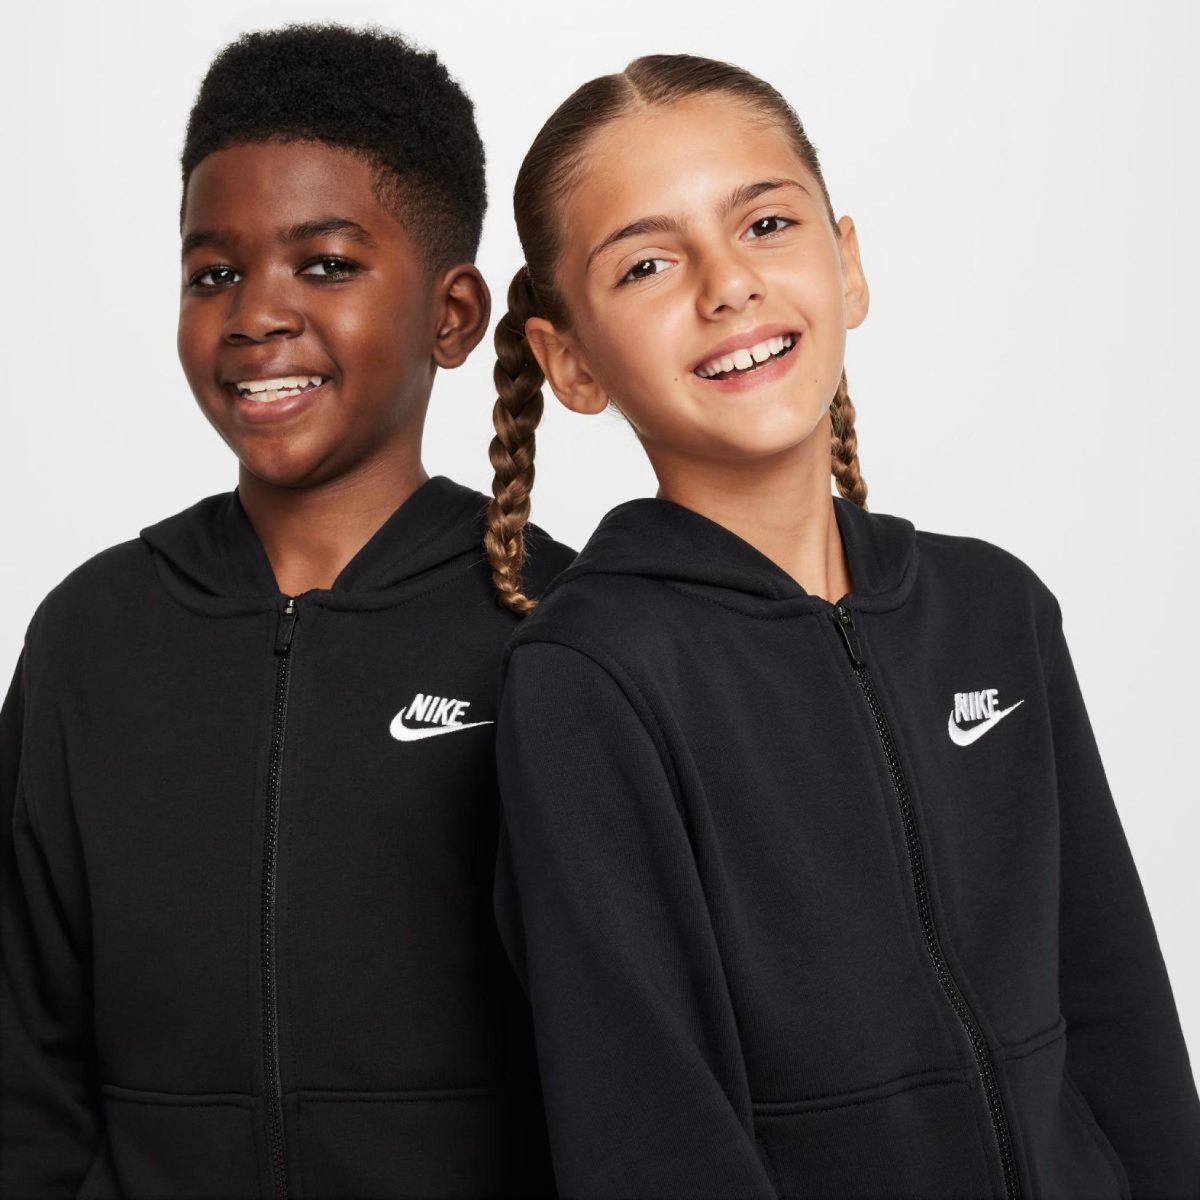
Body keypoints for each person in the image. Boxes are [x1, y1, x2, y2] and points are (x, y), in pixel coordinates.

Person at [485, 54, 1200, 1198]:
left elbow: (1123, 1018)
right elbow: (650, 1124)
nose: (728, 285)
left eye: (765, 223)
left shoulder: (994, 611)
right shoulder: (589, 677)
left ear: (847, 263)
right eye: (649, 263)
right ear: (569, 362)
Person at [0, 24, 571, 1198]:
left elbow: (621, 1043)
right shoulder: (92, 637)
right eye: (214, 273)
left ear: (453, 314)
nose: (256, 313)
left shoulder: (553, 626)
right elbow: (22, 1049)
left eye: (325, 265)